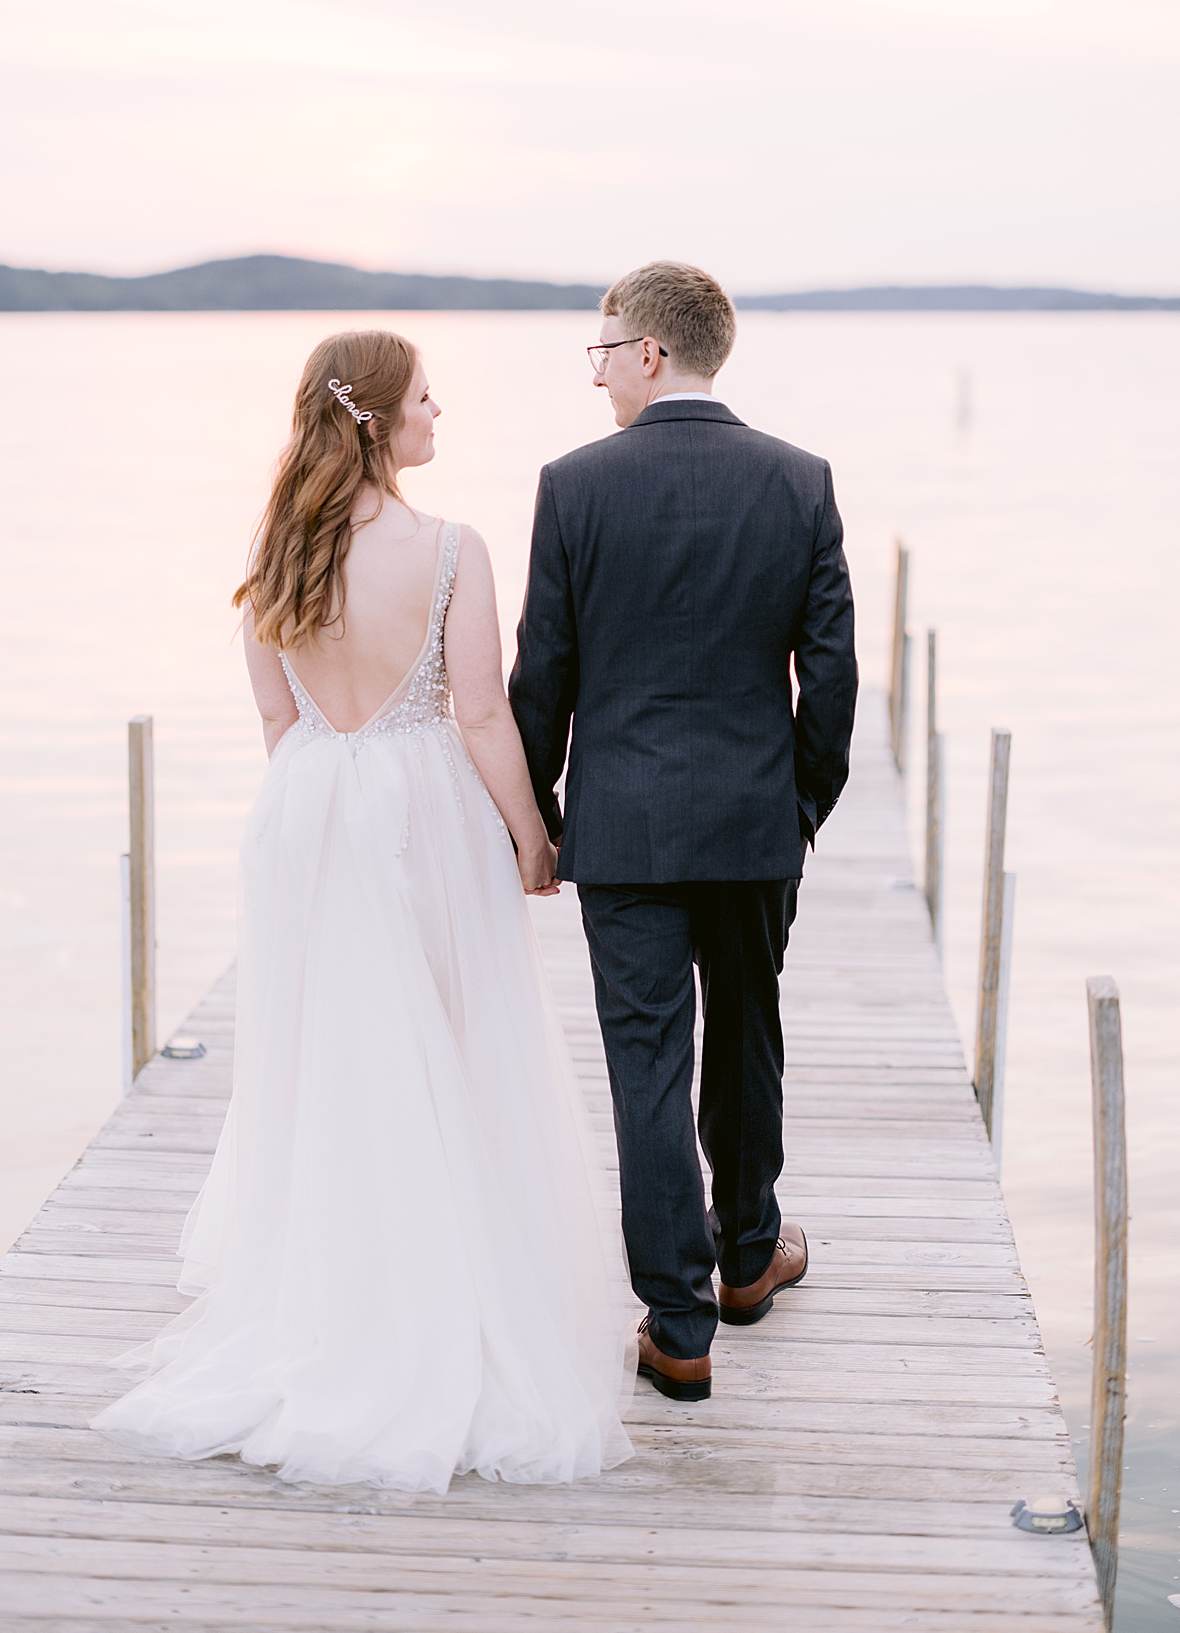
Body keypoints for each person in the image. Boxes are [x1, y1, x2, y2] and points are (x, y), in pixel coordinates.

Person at [92, 329, 632, 1490]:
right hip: (421, 807)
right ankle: (440, 1301)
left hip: (307, 813)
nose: (442, 417)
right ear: (380, 419)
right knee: (451, 1045)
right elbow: (482, 716)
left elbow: (278, 723)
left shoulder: (278, 546)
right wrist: (532, 834)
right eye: (429, 400)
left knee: (329, 1054)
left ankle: (335, 1292)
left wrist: (319, 807)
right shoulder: (448, 549)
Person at [509, 262, 858, 1403]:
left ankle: (677, 1321)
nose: (597, 369)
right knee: (746, 1034)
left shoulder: (573, 486)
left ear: (650, 354)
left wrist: (545, 813)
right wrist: (797, 804)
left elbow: (542, 677)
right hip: (753, 822)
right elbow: (834, 678)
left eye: (603, 350)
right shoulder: (798, 481)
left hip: (623, 832)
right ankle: (749, 1259)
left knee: (645, 1062)